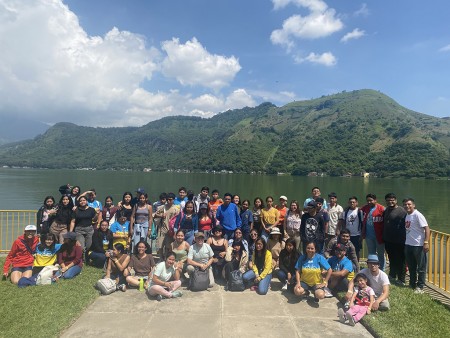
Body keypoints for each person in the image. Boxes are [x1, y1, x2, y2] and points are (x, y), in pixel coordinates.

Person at [404, 198, 430, 294]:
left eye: (409, 204)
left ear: (413, 205)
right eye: (405, 204)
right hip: (408, 244)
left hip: (418, 245)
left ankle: (420, 286)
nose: (407, 206)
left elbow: (427, 229)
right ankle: (412, 284)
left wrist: (426, 242)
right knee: (411, 266)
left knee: (421, 267)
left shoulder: (418, 215)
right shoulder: (407, 215)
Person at [383, 193, 407, 285]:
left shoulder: (402, 211)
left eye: (392, 200)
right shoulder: (386, 210)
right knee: (392, 258)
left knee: (401, 260)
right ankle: (392, 275)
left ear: (396, 200)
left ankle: (401, 279)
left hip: (400, 240)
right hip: (388, 239)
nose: (390, 202)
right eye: (388, 200)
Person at [361, 194, 385, 270]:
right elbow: (356, 209)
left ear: (375, 200)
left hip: (379, 236)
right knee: (371, 253)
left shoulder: (381, 209)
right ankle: (372, 268)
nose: (369, 202)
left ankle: (381, 269)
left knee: (381, 254)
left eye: (371, 200)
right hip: (368, 236)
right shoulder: (365, 208)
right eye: (368, 200)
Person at [153, 192, 180, 259]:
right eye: (167, 199)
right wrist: (161, 215)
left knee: (168, 246)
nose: (168, 201)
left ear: (173, 200)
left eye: (170, 199)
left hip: (170, 230)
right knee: (160, 245)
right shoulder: (162, 207)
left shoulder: (176, 209)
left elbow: (178, 221)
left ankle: (167, 258)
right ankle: (161, 259)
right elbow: (154, 215)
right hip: (162, 228)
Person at [339, 196, 363, 261]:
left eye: (353, 202)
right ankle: (347, 264)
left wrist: (362, 234)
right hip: (347, 235)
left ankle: (357, 264)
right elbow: (343, 222)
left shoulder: (359, 211)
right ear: (348, 203)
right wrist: (342, 232)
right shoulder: (346, 211)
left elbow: (362, 223)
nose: (352, 203)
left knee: (356, 251)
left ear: (356, 203)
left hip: (357, 234)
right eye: (350, 202)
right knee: (346, 250)